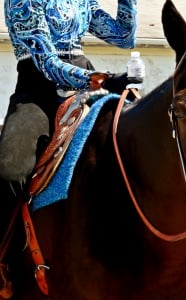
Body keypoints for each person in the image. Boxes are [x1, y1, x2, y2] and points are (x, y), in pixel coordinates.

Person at [0, 0, 139, 297]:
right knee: (10, 171)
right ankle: (2, 265)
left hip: (88, 83)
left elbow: (124, 37)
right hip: (39, 90)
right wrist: (99, 79)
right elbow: (45, 61)